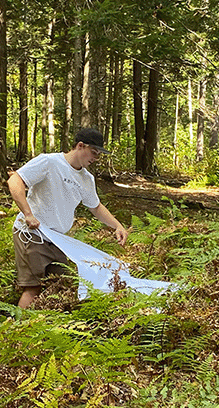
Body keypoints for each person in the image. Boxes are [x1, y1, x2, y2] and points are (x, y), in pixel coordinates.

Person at [9, 128, 129, 308]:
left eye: (98, 155)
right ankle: (13, 331)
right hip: (32, 234)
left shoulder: (86, 179)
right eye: (94, 153)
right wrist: (28, 214)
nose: (95, 158)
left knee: (62, 287)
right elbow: (15, 181)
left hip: (57, 241)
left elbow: (95, 207)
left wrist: (117, 226)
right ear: (80, 146)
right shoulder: (49, 162)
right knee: (33, 289)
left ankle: (44, 328)